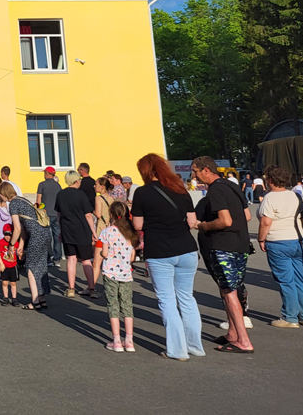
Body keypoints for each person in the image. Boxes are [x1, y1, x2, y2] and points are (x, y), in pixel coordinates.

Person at [131, 153, 204, 360]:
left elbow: (137, 225)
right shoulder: (180, 189)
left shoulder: (142, 193)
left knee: (167, 300)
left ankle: (177, 350)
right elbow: (192, 222)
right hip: (187, 249)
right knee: (187, 297)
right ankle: (195, 346)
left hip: (159, 250)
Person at [192, 155, 254, 353]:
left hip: (223, 246)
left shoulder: (215, 190)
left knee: (229, 292)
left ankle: (243, 341)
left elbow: (225, 220)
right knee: (230, 288)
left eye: (195, 171)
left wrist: (204, 226)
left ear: (206, 170)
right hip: (240, 244)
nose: (194, 176)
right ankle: (233, 333)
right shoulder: (232, 185)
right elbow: (247, 215)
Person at [257, 165, 303, 328]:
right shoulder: (295, 195)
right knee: (299, 279)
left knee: (285, 280)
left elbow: (266, 222)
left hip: (278, 241)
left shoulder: (270, 198)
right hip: (299, 239)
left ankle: (290, 317)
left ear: (270, 180)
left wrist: (261, 239)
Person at [93, 201, 138, 352]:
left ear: (111, 214)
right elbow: (132, 257)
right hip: (126, 273)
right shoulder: (129, 233)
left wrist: (103, 253)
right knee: (127, 306)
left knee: (113, 306)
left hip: (110, 272)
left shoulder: (107, 232)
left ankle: (117, 341)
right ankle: (129, 341)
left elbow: (105, 253)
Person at [6, 182, 48, 309]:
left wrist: (11, 245)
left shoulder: (13, 204)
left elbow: (17, 228)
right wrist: (22, 244)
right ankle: (42, 298)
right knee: (41, 265)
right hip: (45, 233)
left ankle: (34, 301)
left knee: (30, 267)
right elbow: (25, 226)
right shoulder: (23, 200)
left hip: (35, 236)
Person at [55, 170, 96, 298]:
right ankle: (92, 288)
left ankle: (71, 288)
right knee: (86, 260)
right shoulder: (81, 194)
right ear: (76, 181)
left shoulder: (61, 194)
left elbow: (59, 214)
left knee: (71, 259)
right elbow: (88, 215)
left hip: (67, 230)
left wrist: (60, 230)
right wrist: (94, 232)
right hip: (82, 230)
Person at [35, 166, 63, 266]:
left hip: (45, 214)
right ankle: (57, 258)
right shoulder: (58, 185)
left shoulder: (42, 184)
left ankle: (48, 258)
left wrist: (37, 211)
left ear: (47, 173)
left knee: (45, 236)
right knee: (57, 236)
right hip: (56, 213)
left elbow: (38, 201)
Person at [0, 224, 19, 305]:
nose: (8, 237)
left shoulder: (15, 243)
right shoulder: (1, 242)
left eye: (10, 235)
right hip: (4, 266)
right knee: (4, 283)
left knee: (13, 283)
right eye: (6, 234)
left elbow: (18, 251)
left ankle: (14, 298)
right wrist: (1, 264)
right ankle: (5, 298)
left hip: (13, 265)